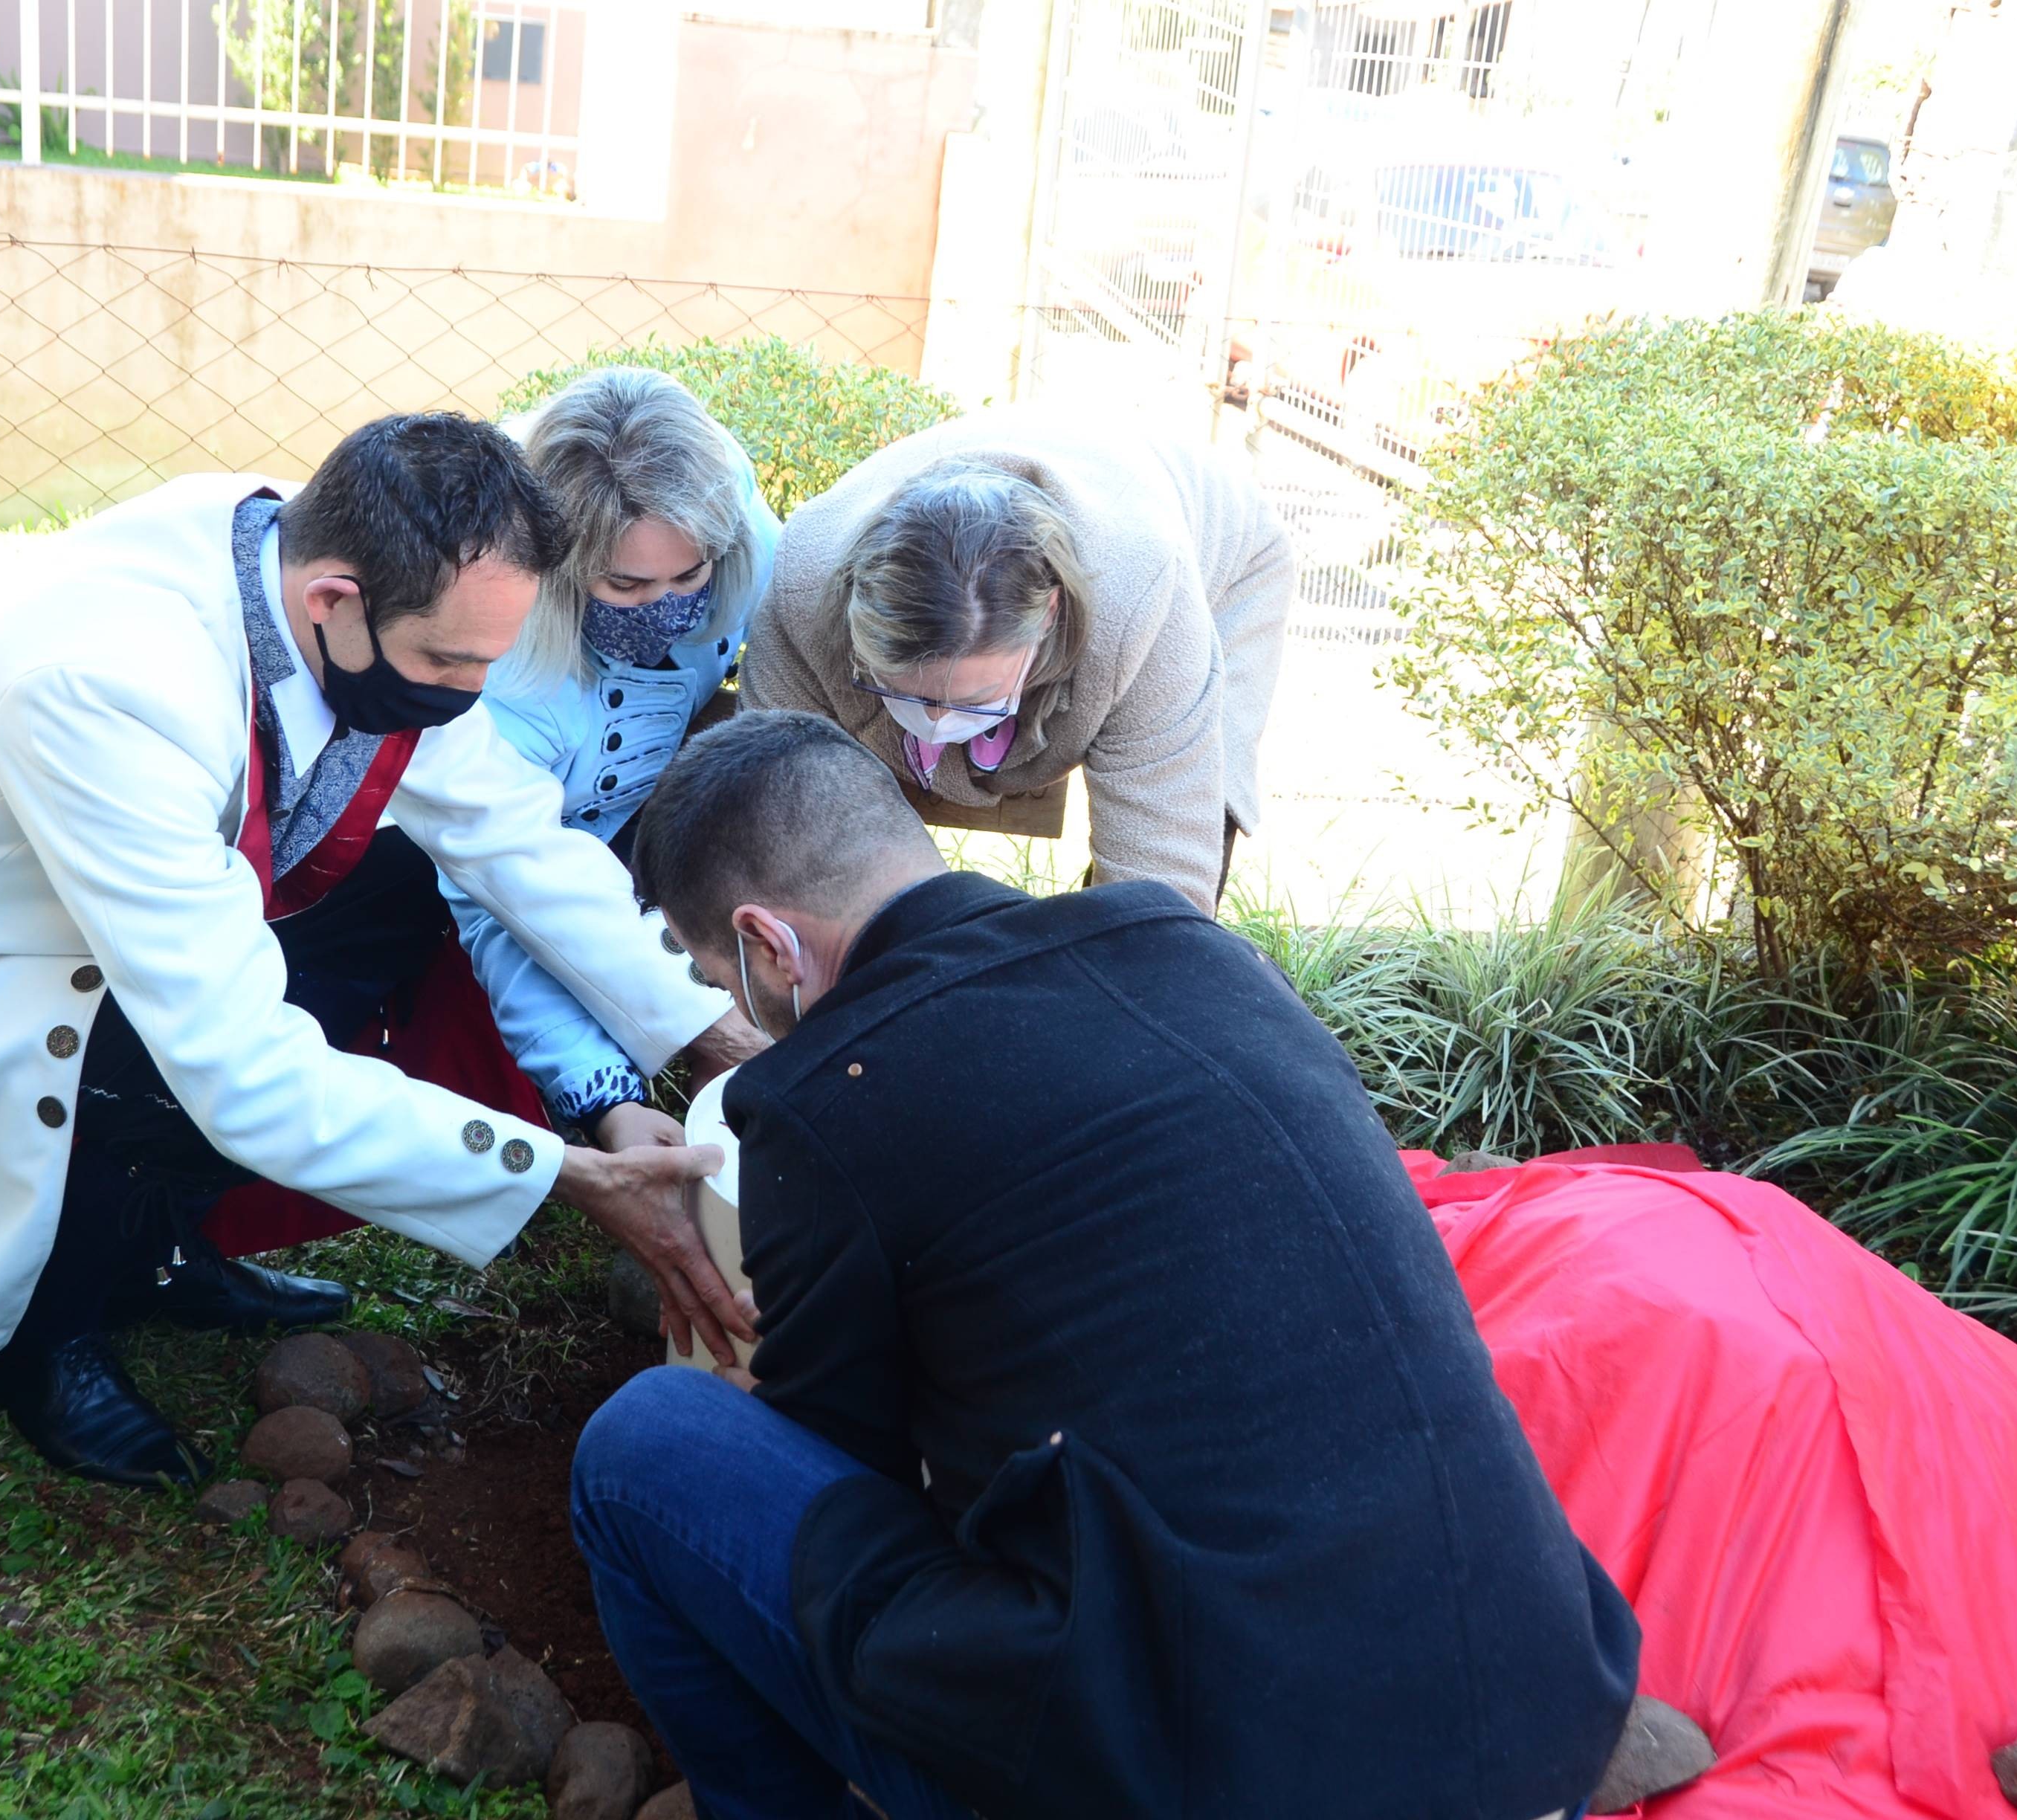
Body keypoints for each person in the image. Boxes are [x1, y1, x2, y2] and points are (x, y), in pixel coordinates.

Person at [0, 416, 762, 1487]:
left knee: (401, 901)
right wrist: (561, 1172)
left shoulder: (295, 560)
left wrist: (713, 1029)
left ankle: (156, 1251)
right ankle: (48, 1334)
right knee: (151, 1046)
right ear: (334, 602)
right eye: (452, 664)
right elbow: (237, 1064)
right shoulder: (105, 687)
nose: (473, 692)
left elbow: (511, 835)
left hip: (59, 934)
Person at [571, 709, 1642, 1820]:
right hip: (1537, 1713)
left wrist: (768, 1382)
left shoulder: (825, 1098)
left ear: (768, 945)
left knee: (647, 1446)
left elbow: (847, 1464)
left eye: (719, 974)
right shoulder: (1200, 954)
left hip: (1212, 1779)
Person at [740, 401, 1294, 912]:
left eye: (972, 700)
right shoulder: (804, 586)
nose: (935, 724)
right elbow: (780, 821)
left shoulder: (1141, 602)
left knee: (1195, 819)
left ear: (1050, 613)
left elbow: (1163, 879)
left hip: (1221, 560)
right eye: (905, 692)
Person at [436, 367, 782, 1145]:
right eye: (624, 584)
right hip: (490, 860)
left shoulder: (751, 542)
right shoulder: (503, 669)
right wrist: (605, 1100)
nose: (666, 604)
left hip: (642, 821)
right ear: (557, 565)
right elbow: (503, 888)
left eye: (689, 575)